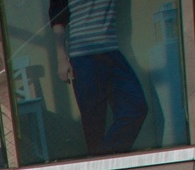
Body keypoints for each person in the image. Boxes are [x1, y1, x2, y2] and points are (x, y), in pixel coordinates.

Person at [52, 0, 150, 154]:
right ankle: (101, 164)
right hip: (83, 58)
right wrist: (61, 59)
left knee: (135, 108)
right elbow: (57, 18)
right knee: (94, 126)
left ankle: (103, 158)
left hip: (111, 52)